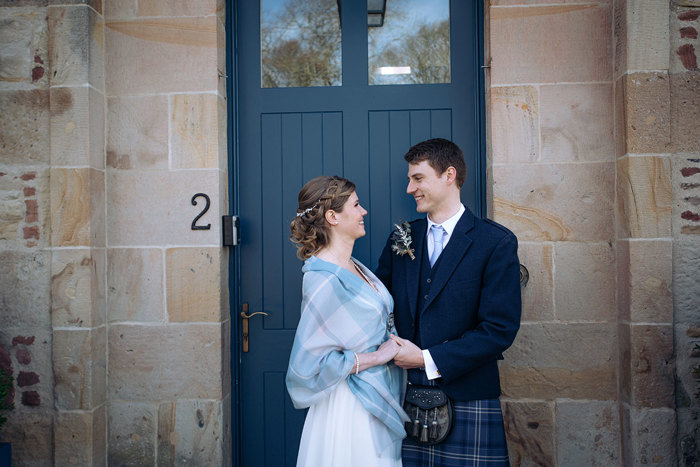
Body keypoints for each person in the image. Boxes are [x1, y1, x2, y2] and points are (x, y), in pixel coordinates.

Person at [375, 138, 521, 466]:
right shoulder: (402, 237)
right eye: (410, 179)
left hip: (469, 394)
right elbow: (377, 305)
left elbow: (499, 330)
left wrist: (426, 359)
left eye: (418, 178)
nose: (410, 187)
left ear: (449, 175)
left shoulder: (495, 242)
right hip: (405, 395)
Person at [286, 175, 410, 467]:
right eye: (356, 205)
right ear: (332, 216)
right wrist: (378, 356)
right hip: (350, 404)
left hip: (376, 395)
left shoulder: (355, 267)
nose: (363, 211)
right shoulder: (322, 279)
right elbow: (308, 365)